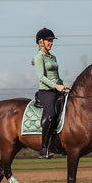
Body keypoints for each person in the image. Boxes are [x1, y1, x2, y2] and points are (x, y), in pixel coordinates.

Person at [33, 28, 70, 159]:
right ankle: (44, 149)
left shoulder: (53, 57)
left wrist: (68, 85)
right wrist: (56, 86)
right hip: (46, 92)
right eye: (49, 40)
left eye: (52, 41)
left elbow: (58, 78)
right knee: (51, 116)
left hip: (57, 89)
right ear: (40, 42)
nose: (51, 43)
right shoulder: (38, 57)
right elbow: (41, 77)